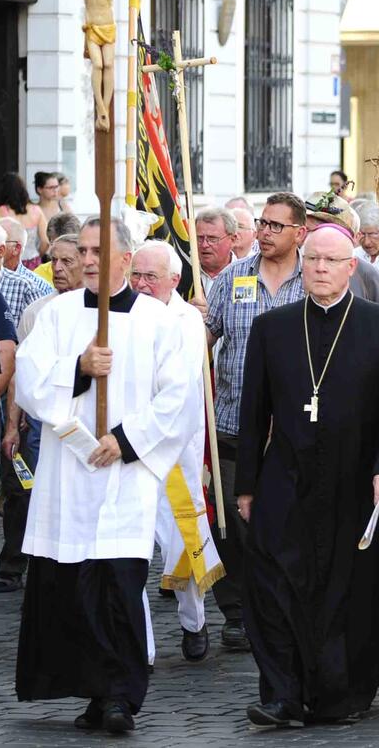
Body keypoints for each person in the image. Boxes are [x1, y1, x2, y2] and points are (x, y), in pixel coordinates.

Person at [236, 224, 379, 726]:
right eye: (313, 259)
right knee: (275, 582)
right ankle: (282, 693)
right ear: (302, 263)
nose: (320, 268)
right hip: (288, 475)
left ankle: (339, 692)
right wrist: (247, 486)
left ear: (350, 267)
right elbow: (253, 413)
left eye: (331, 261)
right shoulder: (272, 328)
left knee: (345, 590)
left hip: (358, 478)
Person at [14, 216, 193, 733]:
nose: (89, 260)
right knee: (72, 587)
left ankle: (120, 696)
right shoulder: (57, 314)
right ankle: (94, 690)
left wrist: (126, 440)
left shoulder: (158, 322)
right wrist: (78, 369)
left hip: (125, 473)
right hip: (68, 473)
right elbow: (28, 378)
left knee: (117, 586)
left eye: (99, 251)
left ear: (126, 258)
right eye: (83, 250)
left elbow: (176, 398)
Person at [203, 192, 305, 650]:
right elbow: (208, 337)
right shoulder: (231, 279)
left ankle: (283, 602)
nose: (264, 232)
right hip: (232, 424)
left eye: (275, 226)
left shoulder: (314, 277)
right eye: (262, 224)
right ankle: (238, 610)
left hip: (294, 428)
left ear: (299, 232)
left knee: (286, 520)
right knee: (231, 520)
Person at [130, 240, 223, 663]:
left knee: (181, 544)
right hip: (124, 449)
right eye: (136, 274)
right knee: (126, 552)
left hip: (172, 450)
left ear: (174, 280)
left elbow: (182, 394)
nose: (142, 284)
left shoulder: (186, 321)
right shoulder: (118, 313)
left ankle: (194, 621)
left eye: (152, 276)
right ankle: (139, 642)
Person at [13, 0, 182, 131]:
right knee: (98, 64)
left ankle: (105, 110)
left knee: (109, 65)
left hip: (108, 24)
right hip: (91, 26)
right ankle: (101, 109)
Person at [0, 233, 84, 595]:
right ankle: (13, 564)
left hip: (81, 425)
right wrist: (12, 426)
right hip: (38, 426)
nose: (58, 268)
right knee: (24, 492)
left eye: (68, 261)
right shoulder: (38, 310)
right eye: (54, 260)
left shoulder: (98, 312)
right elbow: (19, 372)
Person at [0, 172, 48, 265]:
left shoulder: (1, 211)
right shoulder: (36, 210)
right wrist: (38, 255)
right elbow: (45, 242)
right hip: (34, 262)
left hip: (10, 263)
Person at [194, 206, 237, 297]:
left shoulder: (247, 274)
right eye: (199, 238)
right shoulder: (184, 274)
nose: (204, 245)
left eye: (212, 239)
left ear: (233, 240)